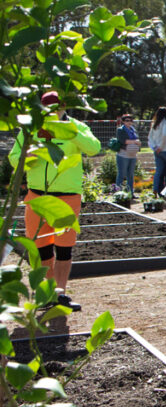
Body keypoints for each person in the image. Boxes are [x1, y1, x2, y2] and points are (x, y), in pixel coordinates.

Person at [8, 91, 101, 312]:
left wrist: (68, 128)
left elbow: (93, 148)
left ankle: (61, 293)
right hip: (37, 197)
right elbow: (14, 157)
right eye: (46, 108)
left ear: (63, 107)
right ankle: (47, 294)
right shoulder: (32, 127)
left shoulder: (76, 126)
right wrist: (27, 156)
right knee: (41, 250)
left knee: (64, 248)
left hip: (67, 197)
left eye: (55, 108)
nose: (51, 112)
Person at [114, 111, 140, 195]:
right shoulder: (120, 130)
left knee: (130, 175)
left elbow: (137, 141)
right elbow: (124, 141)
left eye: (131, 120)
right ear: (123, 121)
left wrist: (136, 142)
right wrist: (135, 142)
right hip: (123, 155)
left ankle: (130, 193)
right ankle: (118, 193)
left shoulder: (133, 130)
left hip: (132, 155)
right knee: (121, 174)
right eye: (127, 120)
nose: (129, 122)